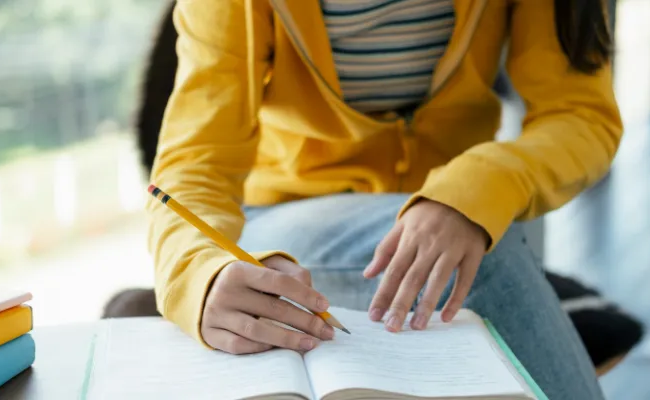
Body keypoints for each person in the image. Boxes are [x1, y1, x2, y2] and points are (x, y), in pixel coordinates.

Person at [147, 0, 621, 398]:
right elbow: (196, 162)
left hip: (450, 205)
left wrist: (475, 189)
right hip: (286, 218)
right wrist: (196, 273)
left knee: (472, 246)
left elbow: (580, 115)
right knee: (475, 265)